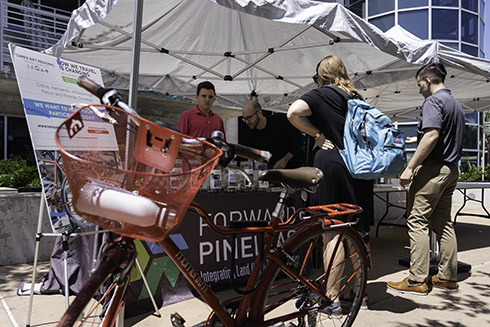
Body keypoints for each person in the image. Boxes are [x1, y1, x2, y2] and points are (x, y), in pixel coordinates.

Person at [287, 55, 373, 314]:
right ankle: (361, 294)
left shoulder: (322, 94)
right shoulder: (357, 97)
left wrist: (317, 134)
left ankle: (331, 298)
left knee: (332, 233)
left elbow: (293, 112)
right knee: (358, 233)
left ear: (322, 76)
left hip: (332, 165)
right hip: (359, 168)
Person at [387, 63, 464, 295]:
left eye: (419, 84)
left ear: (428, 80)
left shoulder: (433, 101)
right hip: (450, 171)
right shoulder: (456, 105)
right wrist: (416, 142)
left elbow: (432, 134)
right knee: (443, 224)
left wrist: (410, 167)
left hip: (432, 171)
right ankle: (448, 278)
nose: (419, 89)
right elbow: (437, 136)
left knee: (416, 221)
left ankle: (416, 280)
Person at [240, 100, 305, 169]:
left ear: (259, 113)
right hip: (270, 170)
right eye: (244, 119)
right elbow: (242, 155)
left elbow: (299, 140)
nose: (247, 122)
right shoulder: (249, 135)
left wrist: (285, 160)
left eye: (249, 118)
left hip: (294, 166)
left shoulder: (279, 121)